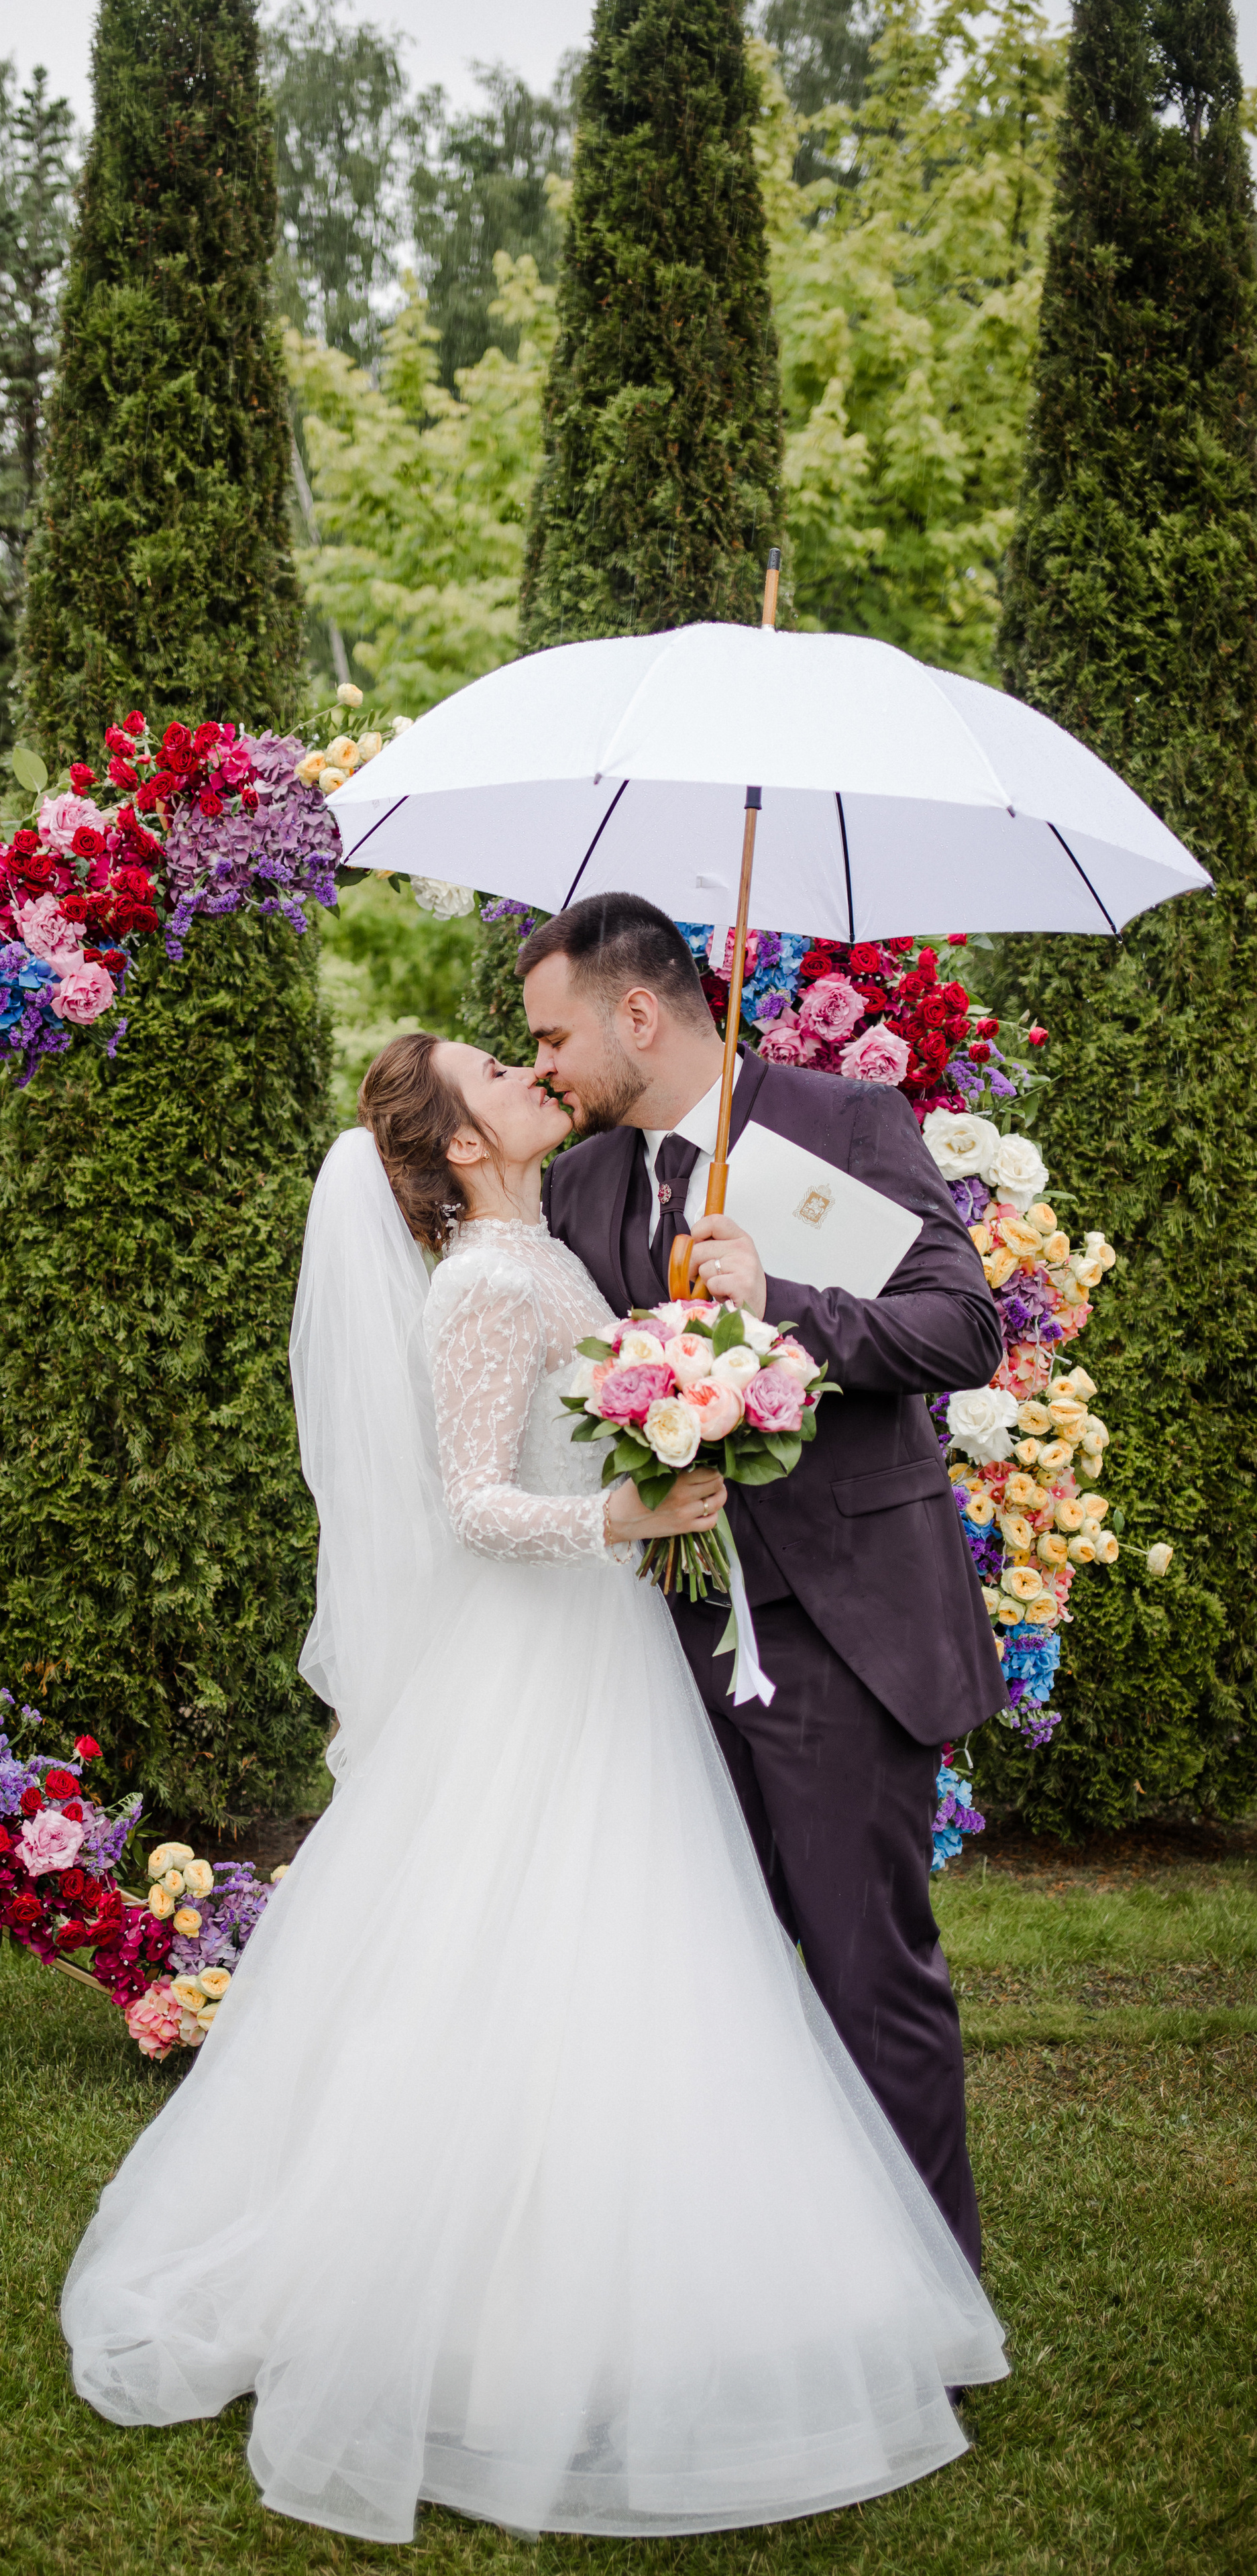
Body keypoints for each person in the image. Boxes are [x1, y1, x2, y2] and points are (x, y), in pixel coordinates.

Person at [60, 1030, 1007, 2546]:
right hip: (556, 1649)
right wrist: (626, 1513)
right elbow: (477, 1505)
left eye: (530, 1046)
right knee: (549, 1963)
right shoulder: (489, 1280)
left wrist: (713, 1368)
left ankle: (705, 2280)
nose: (527, 1074)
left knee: (653, 1962)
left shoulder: (556, 1224)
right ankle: (497, 2312)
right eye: (498, 1070)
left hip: (617, 1651)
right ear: (452, 1149)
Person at [521, 892, 1008, 2269]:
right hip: (657, 1642)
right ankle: (748, 2276)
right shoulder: (582, 1185)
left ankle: (926, 2300)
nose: (544, 1067)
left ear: (636, 1012)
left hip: (836, 1629)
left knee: (863, 1973)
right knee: (696, 1973)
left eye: (554, 1037)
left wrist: (785, 1302)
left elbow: (959, 1325)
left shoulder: (837, 1130)